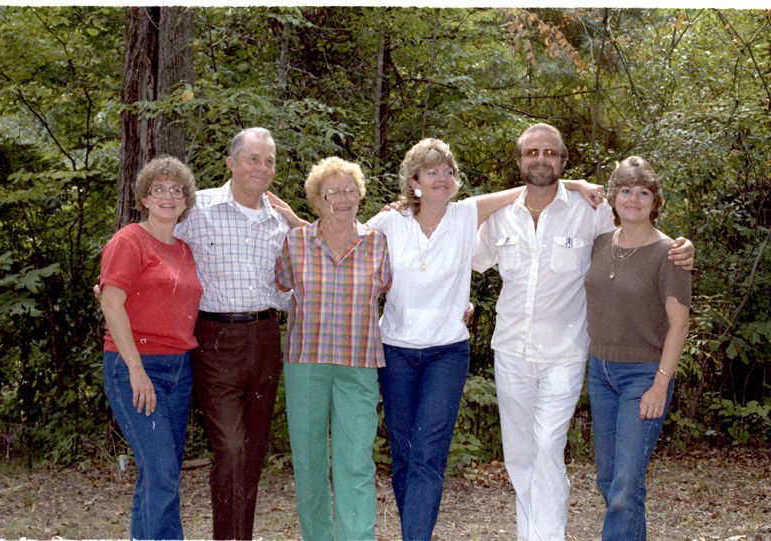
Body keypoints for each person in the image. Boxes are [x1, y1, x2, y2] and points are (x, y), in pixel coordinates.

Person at [366, 138, 602, 540]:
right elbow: (346, 241)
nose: (442, 178)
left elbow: (539, 189)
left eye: (448, 172)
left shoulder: (468, 216)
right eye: (431, 172)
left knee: (436, 453)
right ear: (414, 181)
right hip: (403, 350)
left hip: (461, 351)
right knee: (407, 454)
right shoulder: (393, 222)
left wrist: (577, 185)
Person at [473, 123, 694, 541]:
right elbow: (457, 253)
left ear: (563, 160)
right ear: (519, 160)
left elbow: (639, 231)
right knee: (520, 456)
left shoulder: (589, 212)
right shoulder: (502, 216)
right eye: (532, 153)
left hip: (568, 355)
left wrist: (684, 247)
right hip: (512, 351)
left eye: (551, 153)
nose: (541, 159)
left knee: (548, 448)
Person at [174, 127, 304, 540]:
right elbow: (159, 242)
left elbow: (294, 287)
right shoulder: (200, 209)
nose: (261, 168)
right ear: (231, 163)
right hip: (214, 339)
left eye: (268, 161)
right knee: (230, 449)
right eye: (253, 158)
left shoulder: (279, 221)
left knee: (252, 453)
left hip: (265, 338)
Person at [274, 157, 392, 541]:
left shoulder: (378, 243)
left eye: (349, 190)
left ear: (360, 194)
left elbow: (395, 290)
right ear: (318, 200)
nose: (342, 198)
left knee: (356, 461)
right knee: (309, 461)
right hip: (306, 362)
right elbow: (280, 285)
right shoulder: (295, 242)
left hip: (359, 364)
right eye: (332, 192)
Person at [584, 156, 690, 540]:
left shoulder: (670, 254)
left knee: (625, 489)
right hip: (600, 373)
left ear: (655, 201)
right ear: (613, 198)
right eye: (626, 190)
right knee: (610, 480)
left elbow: (679, 323)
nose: (633, 199)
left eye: (643, 192)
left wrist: (660, 385)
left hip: (643, 377)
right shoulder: (598, 244)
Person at [99, 156, 202, 540]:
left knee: (162, 474)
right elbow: (111, 302)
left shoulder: (185, 250)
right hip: (136, 368)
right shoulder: (129, 240)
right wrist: (137, 370)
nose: (168, 196)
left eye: (177, 190)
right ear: (144, 197)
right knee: (161, 472)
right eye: (158, 189)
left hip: (179, 370)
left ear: (186, 200)